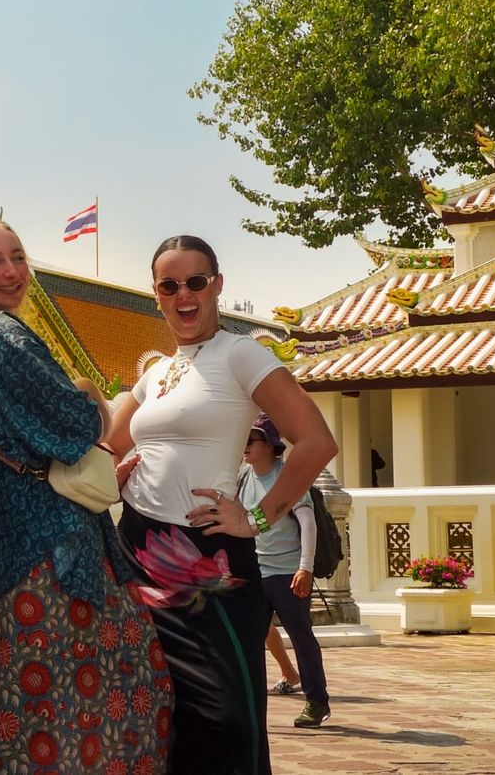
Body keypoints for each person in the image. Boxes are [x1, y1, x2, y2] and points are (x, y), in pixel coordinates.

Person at [108, 234, 338, 774]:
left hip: (209, 557)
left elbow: (316, 441)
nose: (184, 295)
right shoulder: (155, 375)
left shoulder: (240, 353)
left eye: (195, 282)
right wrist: (111, 478)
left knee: (227, 716)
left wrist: (256, 517)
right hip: (137, 550)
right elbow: (106, 447)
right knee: (155, 710)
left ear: (216, 285)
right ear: (156, 295)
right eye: (170, 285)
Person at [0, 216, 172, 774]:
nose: (12, 272)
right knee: (96, 698)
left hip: (20, 539)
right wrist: (90, 392)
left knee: (40, 704)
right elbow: (77, 428)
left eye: (18, 257)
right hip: (51, 544)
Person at [240, 416, 330, 725]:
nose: (245, 447)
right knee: (250, 638)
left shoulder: (287, 477)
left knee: (300, 636)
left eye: (250, 441)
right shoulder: (242, 478)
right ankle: (249, 705)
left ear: (269, 445)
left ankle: (317, 701)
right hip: (256, 571)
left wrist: (305, 568)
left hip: (287, 572)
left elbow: (307, 522)